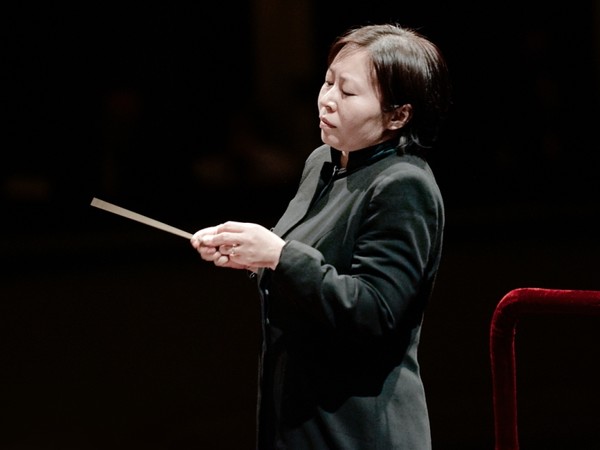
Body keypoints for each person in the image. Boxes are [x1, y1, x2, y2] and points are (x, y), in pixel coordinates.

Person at [190, 22, 451, 450]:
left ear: (398, 114)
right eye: (328, 82)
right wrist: (247, 252)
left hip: (358, 430)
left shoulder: (404, 185)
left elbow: (375, 312)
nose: (327, 100)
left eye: (347, 93)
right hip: (298, 419)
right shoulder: (322, 162)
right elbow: (298, 261)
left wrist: (277, 256)